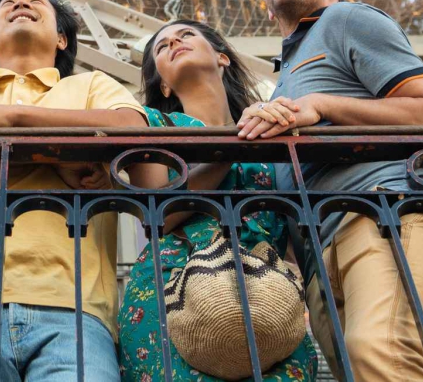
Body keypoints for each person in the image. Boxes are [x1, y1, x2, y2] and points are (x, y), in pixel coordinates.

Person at [236, 0, 423, 382]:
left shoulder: (346, 19)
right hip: (322, 254)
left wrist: (320, 106)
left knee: (382, 352)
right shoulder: (284, 77)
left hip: (384, 214)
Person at [0, 0, 151, 382]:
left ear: (62, 38)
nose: (21, 4)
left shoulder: (93, 84)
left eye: (35, 2)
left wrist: (10, 120)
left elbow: (131, 129)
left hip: (75, 306)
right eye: (7, 4)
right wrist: (69, 151)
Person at [117, 20, 317, 382]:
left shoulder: (272, 127)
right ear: (162, 82)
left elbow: (289, 226)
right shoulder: (156, 127)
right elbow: (159, 217)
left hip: (267, 295)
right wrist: (233, 146)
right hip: (172, 293)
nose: (174, 41)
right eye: (162, 46)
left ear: (222, 57)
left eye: (186, 35)